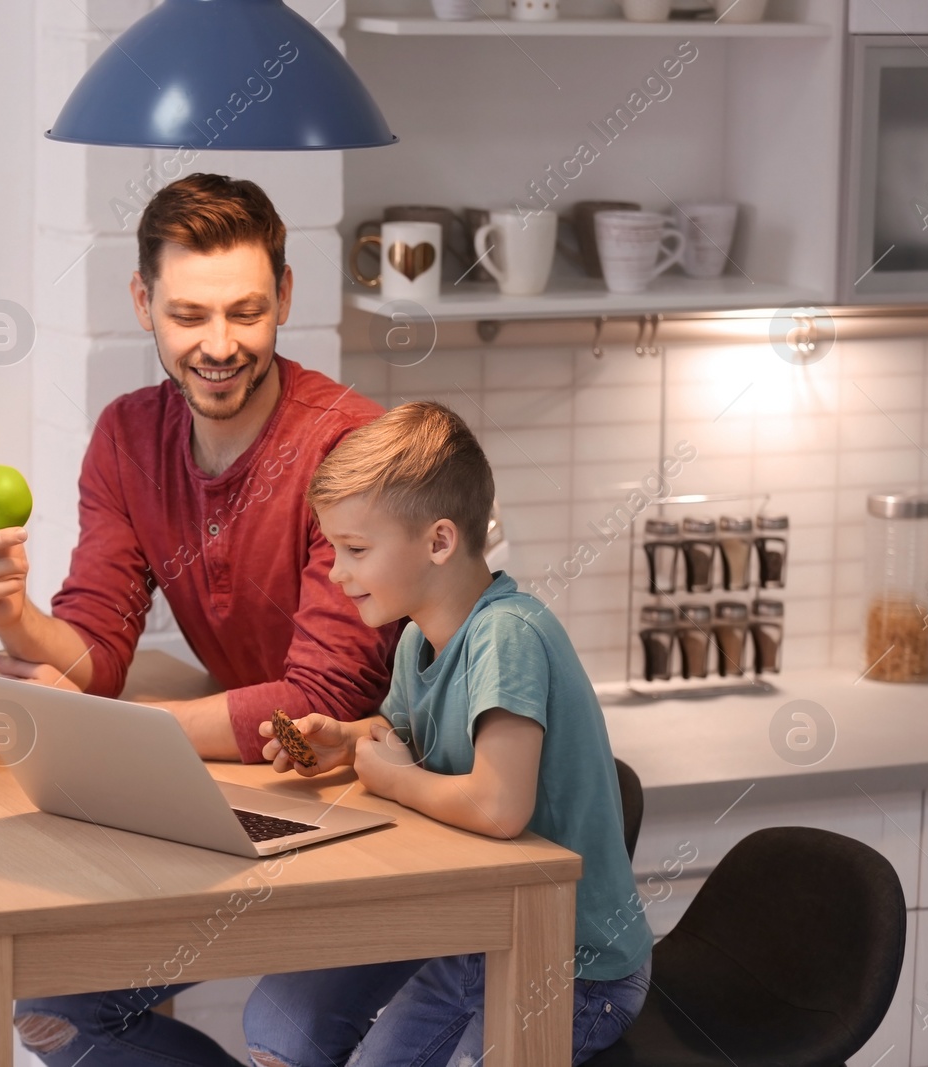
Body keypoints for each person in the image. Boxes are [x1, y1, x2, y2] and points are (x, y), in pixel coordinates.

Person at [0, 173, 405, 1065]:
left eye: (247, 311)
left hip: (392, 794)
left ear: (286, 297)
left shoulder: (348, 447)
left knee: (290, 1034)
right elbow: (98, 647)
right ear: (143, 302)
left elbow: (322, 693)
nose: (220, 345)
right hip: (268, 791)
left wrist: (129, 733)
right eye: (190, 315)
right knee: (51, 1003)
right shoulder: (128, 436)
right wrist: (13, 617)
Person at [243, 401, 653, 1067]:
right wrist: (349, 743)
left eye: (354, 550)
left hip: (573, 967)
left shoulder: (506, 635)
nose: (336, 575)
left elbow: (498, 805)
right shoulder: (416, 641)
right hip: (477, 942)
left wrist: (395, 778)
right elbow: (402, 737)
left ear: (438, 542)